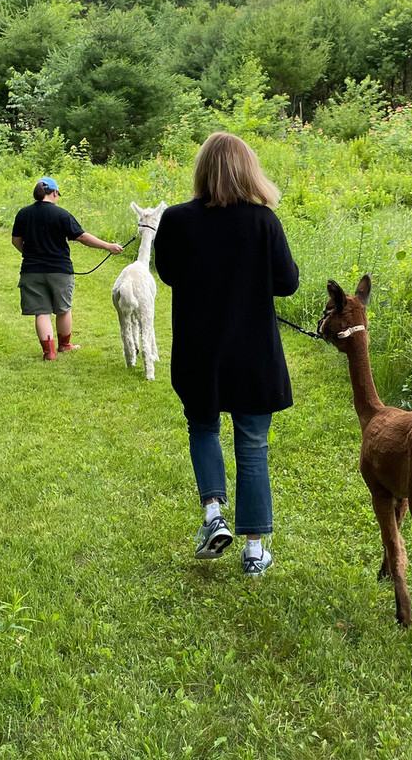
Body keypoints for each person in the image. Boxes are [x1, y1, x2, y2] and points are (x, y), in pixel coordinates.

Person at [154, 132, 300, 576]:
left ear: (202, 170)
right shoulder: (265, 222)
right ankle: (255, 551)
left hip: (200, 353)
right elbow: (288, 283)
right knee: (253, 447)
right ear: (248, 170)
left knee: (203, 429)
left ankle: (214, 516)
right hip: (255, 355)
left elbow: (170, 274)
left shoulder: (176, 220)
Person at [12, 177, 123, 360]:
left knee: (42, 312)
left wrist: (30, 254)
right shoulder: (62, 214)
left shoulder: (23, 213)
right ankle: (65, 345)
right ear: (54, 192)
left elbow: (16, 241)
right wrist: (108, 246)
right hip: (60, 271)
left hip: (31, 270)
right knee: (63, 309)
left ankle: (49, 353)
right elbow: (82, 237)